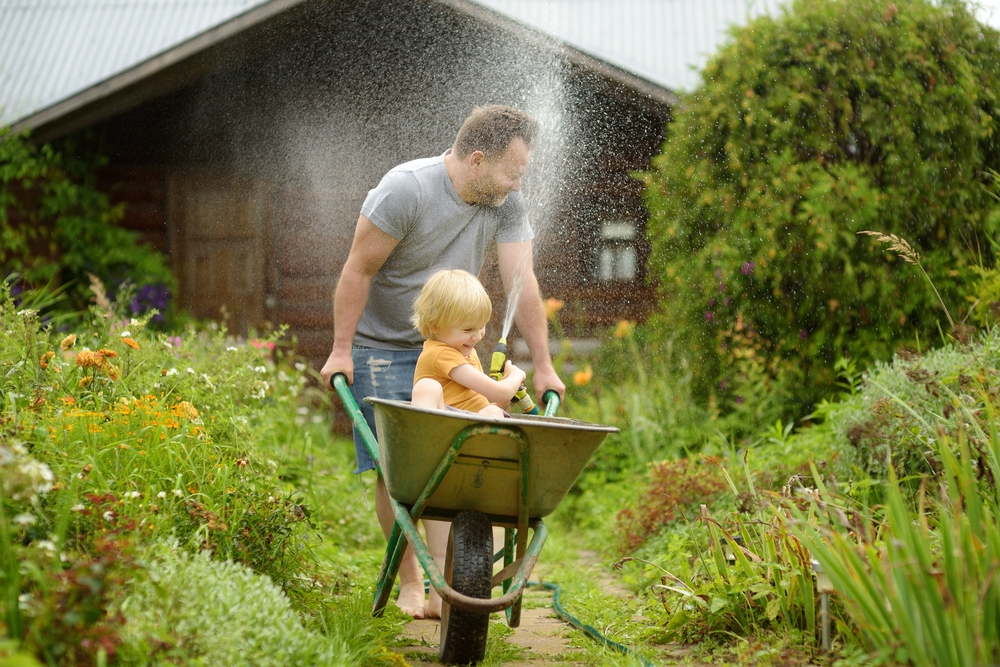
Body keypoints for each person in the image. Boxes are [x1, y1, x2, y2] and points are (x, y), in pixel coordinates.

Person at [320, 104, 566, 619]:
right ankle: (412, 583)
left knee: (467, 457)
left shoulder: (505, 202)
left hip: (455, 348)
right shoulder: (405, 189)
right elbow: (358, 269)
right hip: (384, 344)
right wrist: (343, 349)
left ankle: (453, 576)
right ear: (477, 160)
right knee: (398, 471)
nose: (518, 186)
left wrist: (542, 364)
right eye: (511, 172)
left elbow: (524, 285)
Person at [411, 268, 527, 419]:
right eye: (468, 329)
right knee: (427, 387)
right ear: (435, 326)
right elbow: (501, 393)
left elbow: (481, 403)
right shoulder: (440, 354)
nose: (478, 336)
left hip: (469, 428)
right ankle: (421, 437)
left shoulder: (468, 353)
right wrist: (516, 375)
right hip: (447, 426)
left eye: (482, 326)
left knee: (492, 411)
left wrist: (505, 400)